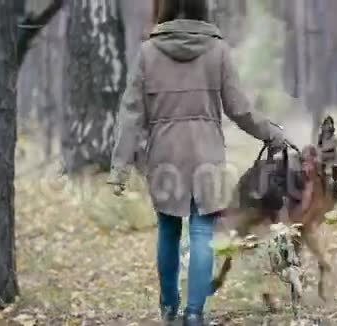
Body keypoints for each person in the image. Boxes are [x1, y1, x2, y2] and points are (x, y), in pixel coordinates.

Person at [107, 0, 287, 325]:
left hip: (165, 155)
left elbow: (131, 113)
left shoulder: (148, 52)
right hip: (207, 154)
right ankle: (194, 314)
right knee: (203, 232)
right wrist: (271, 133)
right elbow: (240, 109)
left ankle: (168, 308)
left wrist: (119, 166)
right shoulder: (217, 50)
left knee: (168, 230)